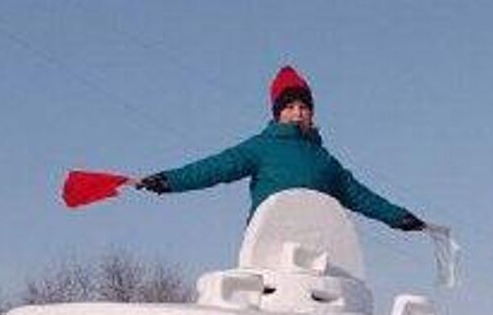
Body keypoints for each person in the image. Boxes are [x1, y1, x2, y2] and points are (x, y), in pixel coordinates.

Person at [134, 66, 426, 232]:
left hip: (317, 240)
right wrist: (169, 180)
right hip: (271, 239)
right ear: (278, 114)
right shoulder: (261, 147)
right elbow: (214, 168)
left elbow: (359, 196)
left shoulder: (324, 160)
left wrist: (398, 216)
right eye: (289, 107)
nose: (297, 113)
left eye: (303, 107)